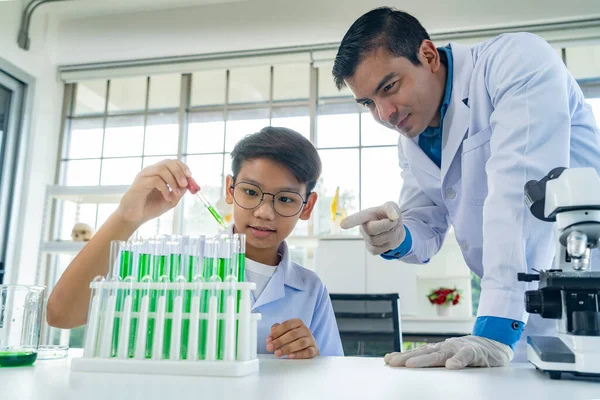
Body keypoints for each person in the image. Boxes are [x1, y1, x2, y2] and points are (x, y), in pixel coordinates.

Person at [333, 7, 600, 369]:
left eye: (389, 87)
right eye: (368, 103)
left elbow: (520, 194)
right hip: (523, 309)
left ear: (427, 55)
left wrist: (495, 328)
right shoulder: (413, 139)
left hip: (586, 285)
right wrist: (398, 236)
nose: (384, 114)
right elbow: (426, 227)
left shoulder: (514, 61)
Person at [47, 127, 344, 359]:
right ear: (229, 190)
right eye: (251, 192)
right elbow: (61, 315)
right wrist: (127, 217)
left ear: (307, 206)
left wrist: (311, 357)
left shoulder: (310, 291)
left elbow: (333, 375)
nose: (264, 212)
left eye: (285, 199)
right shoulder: (178, 264)